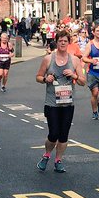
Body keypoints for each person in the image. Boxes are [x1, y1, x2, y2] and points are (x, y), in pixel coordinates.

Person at [35, 30, 84, 173]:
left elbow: (83, 81)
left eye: (65, 41)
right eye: (60, 40)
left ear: (69, 43)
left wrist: (74, 75)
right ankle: (46, 155)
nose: (63, 43)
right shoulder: (48, 59)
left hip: (68, 103)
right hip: (52, 103)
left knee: (64, 134)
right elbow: (38, 76)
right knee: (53, 133)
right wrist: (46, 79)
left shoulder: (74, 60)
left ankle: (58, 160)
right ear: (56, 42)